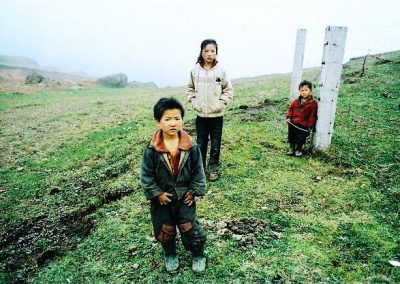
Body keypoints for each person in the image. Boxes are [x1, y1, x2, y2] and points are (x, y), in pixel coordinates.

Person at [140, 97, 207, 274]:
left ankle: (198, 254)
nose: (173, 123)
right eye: (167, 119)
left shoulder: (191, 146)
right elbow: (146, 175)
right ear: (158, 122)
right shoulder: (152, 149)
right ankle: (170, 254)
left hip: (185, 198)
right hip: (162, 200)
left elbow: (198, 171)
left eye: (177, 118)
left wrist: (193, 191)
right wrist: (156, 194)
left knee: (189, 227)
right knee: (165, 229)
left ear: (182, 119)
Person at [186, 39, 233, 181]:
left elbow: (228, 90)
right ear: (201, 52)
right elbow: (189, 89)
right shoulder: (195, 71)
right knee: (200, 143)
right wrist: (194, 102)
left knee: (216, 143)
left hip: (217, 116)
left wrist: (221, 103)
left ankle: (213, 168)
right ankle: (199, 169)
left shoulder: (221, 71)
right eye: (206, 50)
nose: (209, 54)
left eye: (213, 51)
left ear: (216, 53)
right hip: (201, 115)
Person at [286, 80, 318, 156]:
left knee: (300, 138)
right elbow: (290, 109)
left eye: (306, 90)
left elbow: (312, 116)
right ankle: (291, 148)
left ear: (310, 91)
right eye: (302, 90)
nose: (304, 92)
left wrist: (310, 126)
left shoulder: (313, 104)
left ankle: (298, 149)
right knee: (291, 136)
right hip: (293, 123)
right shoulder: (295, 101)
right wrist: (289, 117)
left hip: (303, 125)